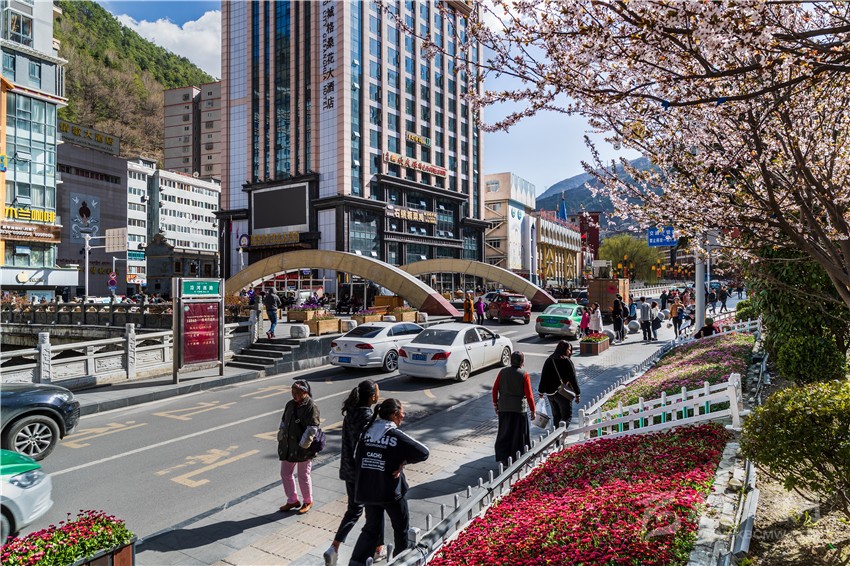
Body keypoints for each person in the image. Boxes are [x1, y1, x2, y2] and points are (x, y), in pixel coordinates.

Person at [350, 399, 430, 565]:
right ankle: (401, 562)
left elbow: (356, 458)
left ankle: (356, 562)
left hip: (369, 491)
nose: (404, 415)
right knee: (401, 530)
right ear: (394, 414)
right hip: (391, 492)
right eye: (402, 412)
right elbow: (423, 452)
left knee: (370, 530)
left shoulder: (366, 432)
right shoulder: (395, 435)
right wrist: (403, 462)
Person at [324, 381, 384, 566]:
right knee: (376, 508)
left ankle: (334, 548)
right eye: (377, 392)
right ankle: (378, 549)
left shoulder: (351, 413)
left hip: (349, 470)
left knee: (353, 510)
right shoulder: (368, 418)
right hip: (364, 473)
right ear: (372, 397)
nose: (379, 395)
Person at [277, 380, 320, 514]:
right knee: (285, 473)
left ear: (305, 392)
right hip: (288, 446)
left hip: (303, 448)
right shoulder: (290, 404)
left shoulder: (311, 406)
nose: (294, 394)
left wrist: (303, 445)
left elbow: (313, 427)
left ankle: (308, 501)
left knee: (303, 475)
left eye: (297, 392)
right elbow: (283, 421)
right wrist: (281, 434)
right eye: (293, 391)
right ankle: (292, 500)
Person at [492, 351, 536, 467]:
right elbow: (529, 395)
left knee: (505, 432)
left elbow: (495, 389)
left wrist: (496, 404)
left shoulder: (502, 372)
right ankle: (517, 457)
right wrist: (533, 410)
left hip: (504, 408)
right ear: (522, 362)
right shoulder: (524, 374)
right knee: (519, 434)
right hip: (519, 409)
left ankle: (504, 458)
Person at [538, 341, 581, 428]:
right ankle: (561, 434)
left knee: (556, 416)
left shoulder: (549, 359)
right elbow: (573, 378)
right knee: (566, 417)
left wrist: (541, 391)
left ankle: (557, 435)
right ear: (563, 349)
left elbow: (544, 376)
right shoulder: (566, 361)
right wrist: (577, 394)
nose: (570, 352)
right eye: (568, 350)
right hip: (562, 394)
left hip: (550, 394)